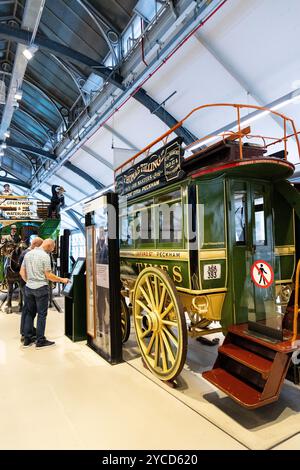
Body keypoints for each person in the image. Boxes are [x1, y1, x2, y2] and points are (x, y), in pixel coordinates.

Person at [20, 238, 70, 349]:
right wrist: (63, 280)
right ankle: (40, 341)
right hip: (41, 288)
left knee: (29, 313)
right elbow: (49, 276)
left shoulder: (28, 254)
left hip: (29, 288)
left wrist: (29, 282)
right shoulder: (45, 256)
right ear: (48, 246)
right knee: (42, 315)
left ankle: (27, 340)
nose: (52, 250)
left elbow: (21, 272)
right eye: (52, 248)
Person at [19, 236, 44, 341]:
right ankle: (25, 332)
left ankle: (26, 331)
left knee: (27, 308)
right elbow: (22, 271)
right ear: (36, 245)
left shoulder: (25, 252)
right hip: (27, 284)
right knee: (27, 309)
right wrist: (29, 282)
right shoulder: (27, 254)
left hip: (26, 284)